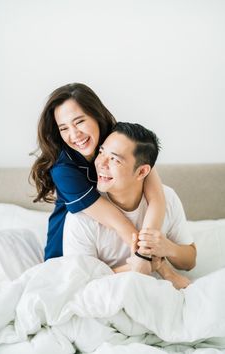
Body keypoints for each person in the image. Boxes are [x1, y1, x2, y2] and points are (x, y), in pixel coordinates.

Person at [30, 83, 165, 262]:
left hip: (115, 249)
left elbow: (156, 198)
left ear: (96, 115)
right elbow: (120, 224)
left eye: (79, 122)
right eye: (64, 128)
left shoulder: (122, 140)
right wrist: (156, 263)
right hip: (66, 252)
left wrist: (151, 243)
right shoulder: (63, 169)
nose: (74, 134)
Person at [63, 122, 197, 289]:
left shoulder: (167, 198)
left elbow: (190, 261)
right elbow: (79, 283)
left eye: (114, 159)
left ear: (142, 172)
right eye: (101, 152)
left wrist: (168, 248)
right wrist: (136, 268)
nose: (101, 163)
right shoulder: (81, 217)